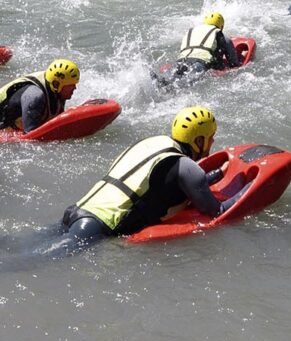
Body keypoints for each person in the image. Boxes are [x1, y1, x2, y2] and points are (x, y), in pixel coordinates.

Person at [60, 105, 237, 249]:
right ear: (199, 141)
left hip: (75, 212)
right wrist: (248, 188)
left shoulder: (153, 144)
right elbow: (218, 211)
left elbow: (177, 185)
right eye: (210, 137)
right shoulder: (186, 167)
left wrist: (218, 173)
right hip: (94, 228)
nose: (213, 142)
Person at [0, 58, 80, 133]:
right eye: (71, 85)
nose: (75, 88)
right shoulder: (35, 96)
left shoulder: (56, 89)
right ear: (57, 83)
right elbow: (31, 134)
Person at [158, 12, 240, 86]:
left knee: (169, 79)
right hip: (200, 63)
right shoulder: (218, 32)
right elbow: (233, 62)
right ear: (221, 26)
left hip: (181, 60)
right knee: (184, 84)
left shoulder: (191, 31)